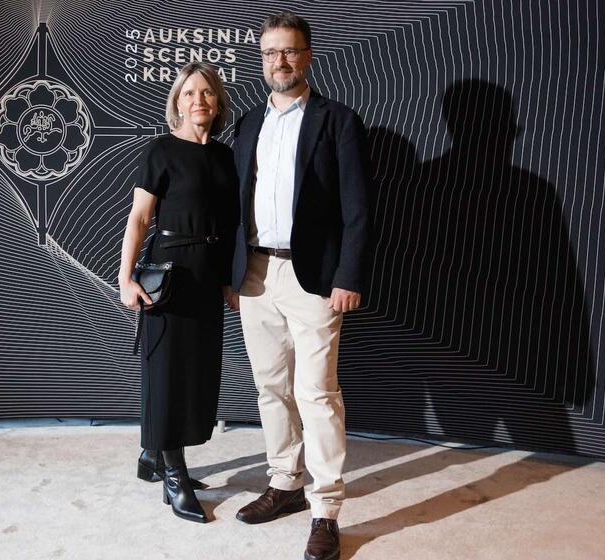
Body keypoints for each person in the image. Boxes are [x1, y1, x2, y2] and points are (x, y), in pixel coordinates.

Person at [228, 11, 370, 560]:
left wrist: (348, 275)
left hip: (314, 278)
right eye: (270, 53)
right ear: (261, 60)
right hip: (255, 274)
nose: (279, 61)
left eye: (288, 51)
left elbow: (358, 208)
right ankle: (284, 482)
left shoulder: (338, 121)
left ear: (307, 56)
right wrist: (231, 275)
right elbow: (235, 205)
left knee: (317, 393)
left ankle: (325, 510)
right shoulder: (247, 124)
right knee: (270, 387)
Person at [118, 62, 238, 524]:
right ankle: (175, 476)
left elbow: (229, 224)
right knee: (168, 375)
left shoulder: (225, 156)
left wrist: (227, 280)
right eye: (189, 93)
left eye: (206, 92)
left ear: (217, 101)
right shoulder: (161, 150)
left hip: (207, 276)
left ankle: (153, 457)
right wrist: (125, 278)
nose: (198, 100)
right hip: (170, 276)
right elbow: (139, 218)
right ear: (178, 103)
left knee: (196, 374)